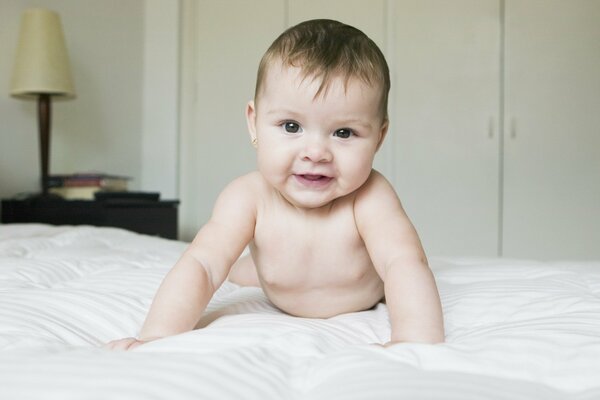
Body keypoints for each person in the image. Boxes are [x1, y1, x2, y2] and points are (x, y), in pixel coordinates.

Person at [106, 19, 444, 350]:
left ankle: (256, 269)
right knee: (237, 267)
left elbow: (403, 263)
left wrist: (413, 339)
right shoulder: (248, 197)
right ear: (254, 123)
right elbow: (203, 266)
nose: (315, 153)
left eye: (344, 132)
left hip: (362, 292)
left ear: (378, 138)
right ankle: (252, 269)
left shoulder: (371, 197)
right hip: (279, 283)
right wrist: (157, 335)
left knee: (398, 270)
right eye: (291, 126)